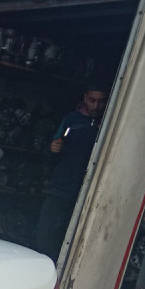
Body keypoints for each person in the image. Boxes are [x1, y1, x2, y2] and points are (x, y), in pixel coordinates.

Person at [34, 83, 108, 260]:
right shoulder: (71, 120)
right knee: (46, 234)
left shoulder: (110, 122)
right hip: (62, 188)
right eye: (92, 100)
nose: (96, 106)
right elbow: (52, 147)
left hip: (92, 192)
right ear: (85, 98)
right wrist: (52, 148)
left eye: (100, 102)